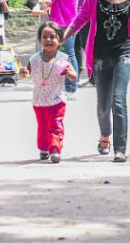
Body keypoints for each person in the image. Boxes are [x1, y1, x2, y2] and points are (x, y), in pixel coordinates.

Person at [63, 0, 130, 163]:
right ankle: (105, 134)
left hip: (124, 53)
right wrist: (62, 37)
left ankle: (120, 148)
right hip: (100, 55)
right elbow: (81, 18)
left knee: (118, 100)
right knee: (103, 105)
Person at [18, 21, 77, 163]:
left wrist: (69, 73)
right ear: (40, 40)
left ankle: (55, 149)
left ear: (60, 40)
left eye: (52, 37)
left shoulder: (63, 58)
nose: (48, 40)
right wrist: (23, 72)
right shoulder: (34, 59)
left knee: (55, 125)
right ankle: (44, 148)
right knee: (43, 126)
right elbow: (26, 74)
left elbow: (73, 76)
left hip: (57, 100)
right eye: (44, 37)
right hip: (39, 100)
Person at [46, 0, 85, 99]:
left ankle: (69, 89)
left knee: (63, 54)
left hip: (59, 20)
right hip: (74, 19)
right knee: (69, 54)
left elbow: (48, 0)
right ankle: (69, 87)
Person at [68, 0, 99, 85]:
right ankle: (84, 75)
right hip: (87, 11)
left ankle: (93, 76)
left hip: (83, 12)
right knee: (80, 44)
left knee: (84, 45)